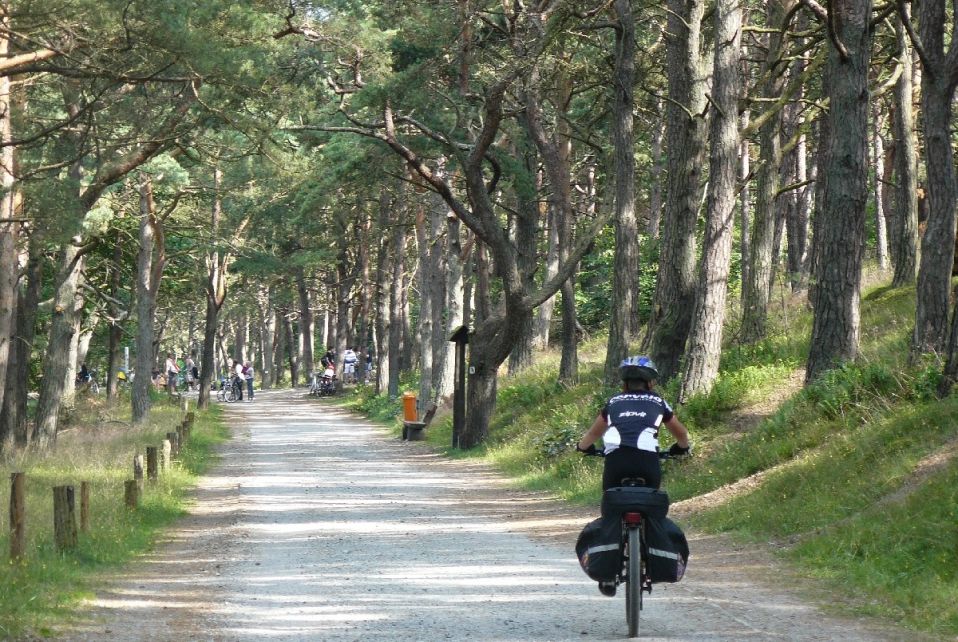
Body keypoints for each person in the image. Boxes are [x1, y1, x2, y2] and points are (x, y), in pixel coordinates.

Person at [576, 356, 690, 492]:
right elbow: (681, 433)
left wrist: (583, 447)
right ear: (650, 383)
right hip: (647, 460)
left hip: (616, 460)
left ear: (624, 383)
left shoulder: (614, 401)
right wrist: (681, 447)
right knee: (653, 502)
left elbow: (594, 433)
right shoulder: (658, 401)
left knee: (610, 502)